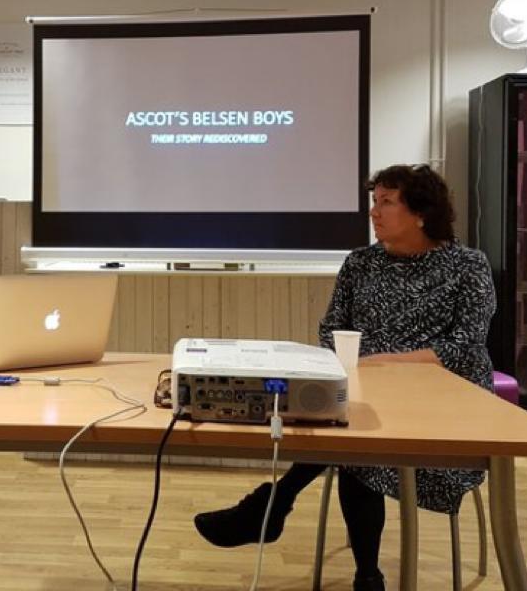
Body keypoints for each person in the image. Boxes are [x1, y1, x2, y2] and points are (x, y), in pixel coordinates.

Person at [193, 164, 496, 591]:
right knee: (352, 441)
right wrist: (344, 363)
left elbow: (466, 344)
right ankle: (364, 576)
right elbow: (331, 326)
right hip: (366, 396)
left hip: (443, 409)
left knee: (353, 446)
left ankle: (273, 504)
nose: (374, 212)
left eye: (387, 202)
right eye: (374, 202)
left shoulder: (467, 266)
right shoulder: (360, 263)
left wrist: (388, 363)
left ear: (422, 213)